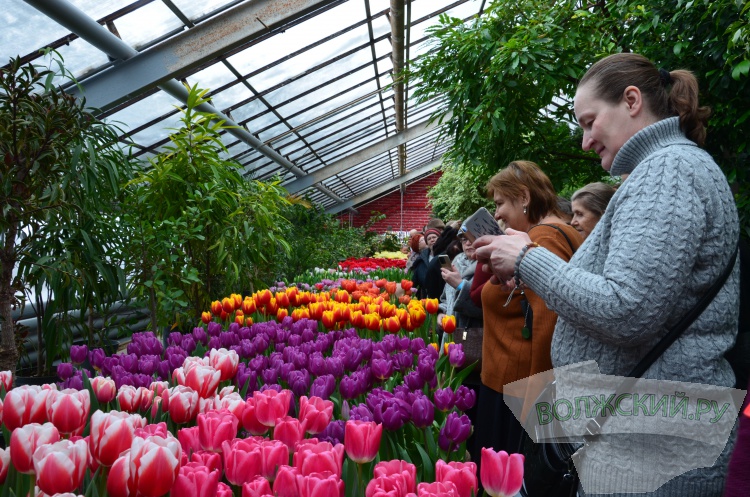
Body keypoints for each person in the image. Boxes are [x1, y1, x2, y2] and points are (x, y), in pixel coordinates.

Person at [474, 53, 739, 496]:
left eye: (589, 122)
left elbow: (626, 308)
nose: (585, 142)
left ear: (631, 101)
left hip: (654, 451)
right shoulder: (668, 169)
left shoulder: (668, 172)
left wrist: (527, 260)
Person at [473, 160, 581, 484]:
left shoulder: (544, 238)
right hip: (515, 389)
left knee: (502, 484)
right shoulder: (545, 236)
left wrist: (536, 411)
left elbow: (549, 321)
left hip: (518, 395)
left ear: (523, 197)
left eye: (500, 204)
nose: (497, 215)